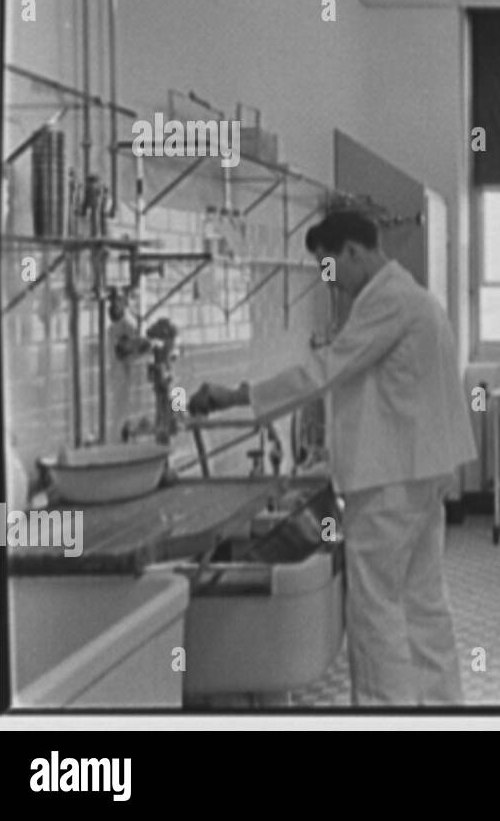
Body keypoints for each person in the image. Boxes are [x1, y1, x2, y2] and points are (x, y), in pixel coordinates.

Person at [191, 210, 477, 706]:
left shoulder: (385, 300)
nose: (332, 282)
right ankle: (441, 706)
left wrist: (235, 396)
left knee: (375, 612)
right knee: (423, 604)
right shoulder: (412, 297)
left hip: (391, 482)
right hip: (421, 475)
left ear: (354, 251)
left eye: (331, 267)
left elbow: (321, 372)